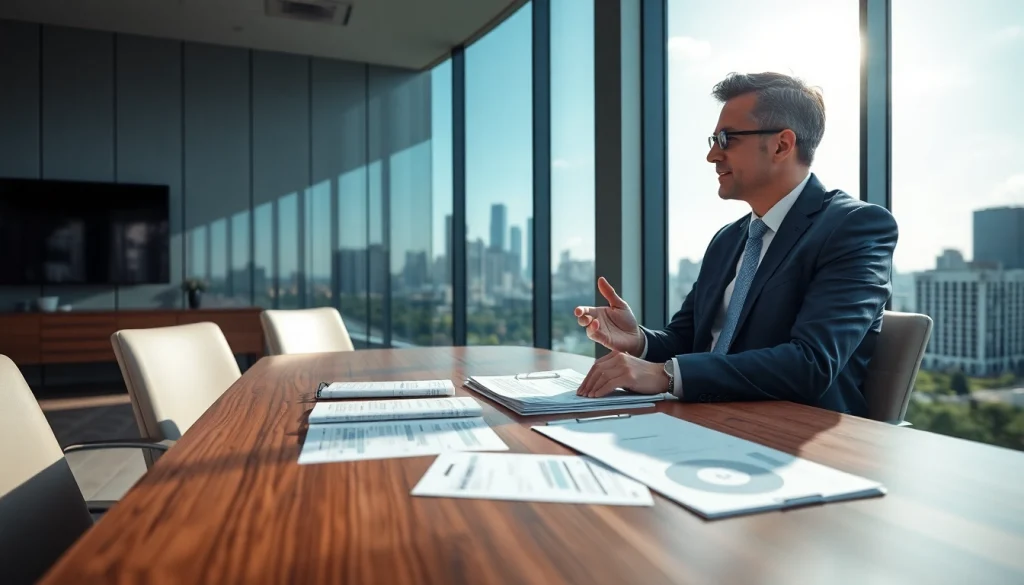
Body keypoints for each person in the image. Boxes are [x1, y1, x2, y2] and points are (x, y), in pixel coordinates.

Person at [574, 72, 898, 416]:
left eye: (726, 139)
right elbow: (688, 341)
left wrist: (665, 375)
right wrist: (640, 341)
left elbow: (812, 363)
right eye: (713, 139)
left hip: (793, 438)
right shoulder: (729, 238)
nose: (712, 156)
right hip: (704, 421)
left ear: (781, 145)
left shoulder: (855, 227)